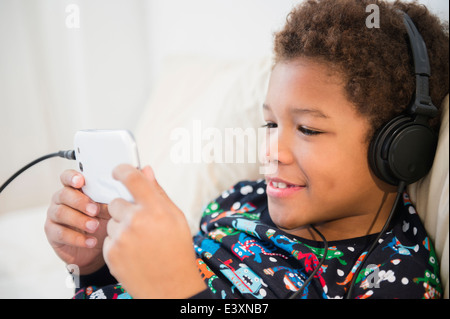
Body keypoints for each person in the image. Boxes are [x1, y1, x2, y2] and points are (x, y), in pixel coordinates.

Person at [45, 0, 448, 299]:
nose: (272, 150)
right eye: (271, 124)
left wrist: (179, 294)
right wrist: (96, 264)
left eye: (307, 128)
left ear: (398, 148)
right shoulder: (241, 199)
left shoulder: (394, 279)